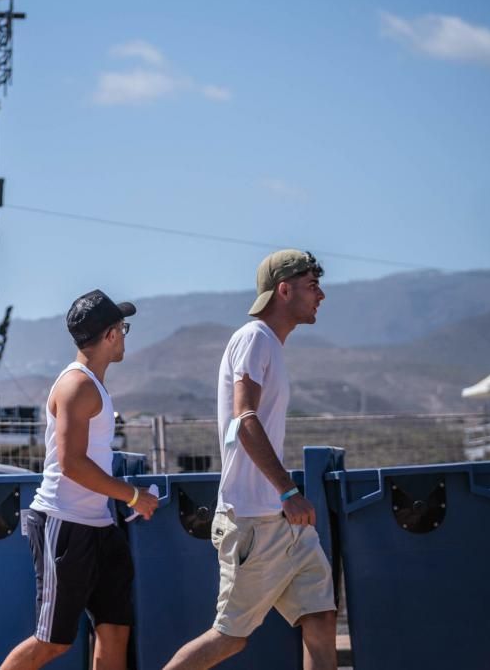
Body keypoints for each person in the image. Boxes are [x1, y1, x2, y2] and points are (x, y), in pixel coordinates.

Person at [164, 250, 336, 670]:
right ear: (284, 289)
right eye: (312, 286)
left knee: (320, 617)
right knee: (229, 638)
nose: (322, 295)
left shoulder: (271, 345)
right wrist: (289, 490)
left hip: (283, 522)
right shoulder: (254, 338)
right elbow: (244, 421)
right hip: (254, 521)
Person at [0, 289, 158, 670]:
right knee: (52, 641)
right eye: (123, 328)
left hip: (98, 527)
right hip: (64, 524)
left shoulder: (92, 385)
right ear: (110, 336)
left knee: (115, 630)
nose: (124, 335)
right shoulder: (77, 385)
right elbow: (72, 464)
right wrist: (133, 496)